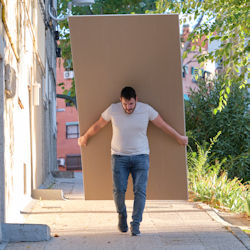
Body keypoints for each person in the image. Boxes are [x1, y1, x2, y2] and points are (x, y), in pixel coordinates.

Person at [78, 86, 188, 236]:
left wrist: (179, 138)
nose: (128, 108)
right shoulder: (113, 109)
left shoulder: (146, 110)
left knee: (140, 191)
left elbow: (162, 125)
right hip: (118, 157)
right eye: (125, 104)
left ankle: (136, 224)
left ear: (136, 100)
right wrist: (85, 137)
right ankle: (121, 215)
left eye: (131, 104)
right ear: (120, 101)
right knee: (118, 190)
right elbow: (98, 124)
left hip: (141, 157)